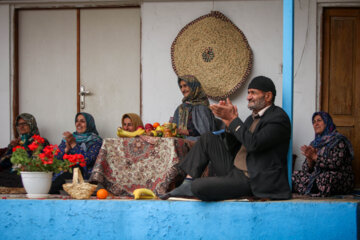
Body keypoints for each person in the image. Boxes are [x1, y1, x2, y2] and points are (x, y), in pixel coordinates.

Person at [161, 76, 291, 201]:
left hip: (253, 179)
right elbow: (235, 147)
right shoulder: (251, 119)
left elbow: (254, 144)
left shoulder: (278, 119)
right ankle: (187, 183)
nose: (248, 97)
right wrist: (228, 124)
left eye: (253, 93)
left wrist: (234, 120)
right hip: (235, 171)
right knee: (208, 138)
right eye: (248, 93)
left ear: (268, 96)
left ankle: (193, 186)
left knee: (199, 186)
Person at [292, 112, 354, 196]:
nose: (316, 124)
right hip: (318, 176)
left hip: (339, 177)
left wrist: (315, 157)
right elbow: (306, 170)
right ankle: (315, 189)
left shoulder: (338, 140)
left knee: (325, 177)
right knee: (295, 174)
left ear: (327, 122)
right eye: (314, 122)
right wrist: (310, 159)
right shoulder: (314, 143)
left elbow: (335, 164)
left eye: (319, 120)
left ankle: (312, 189)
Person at [50, 112, 102, 194]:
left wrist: (74, 145)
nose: (78, 124)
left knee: (74, 168)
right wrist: (66, 149)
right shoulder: (68, 138)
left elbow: (88, 160)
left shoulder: (96, 141)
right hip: (64, 172)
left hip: (83, 175)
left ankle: (51, 189)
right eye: (77, 121)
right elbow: (55, 160)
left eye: (82, 121)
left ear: (89, 124)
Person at [0, 113, 49, 187]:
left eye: (24, 124)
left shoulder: (41, 141)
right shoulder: (17, 142)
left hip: (29, 174)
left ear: (31, 124)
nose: (21, 127)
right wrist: (11, 148)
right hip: (13, 173)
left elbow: (38, 162)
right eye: (19, 125)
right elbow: (3, 163)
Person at [172, 75, 216, 140]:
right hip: (181, 142)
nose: (183, 90)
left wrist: (187, 132)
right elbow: (173, 128)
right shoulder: (181, 108)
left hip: (200, 143)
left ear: (194, 86)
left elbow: (206, 133)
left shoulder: (202, 107)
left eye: (185, 85)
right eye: (181, 87)